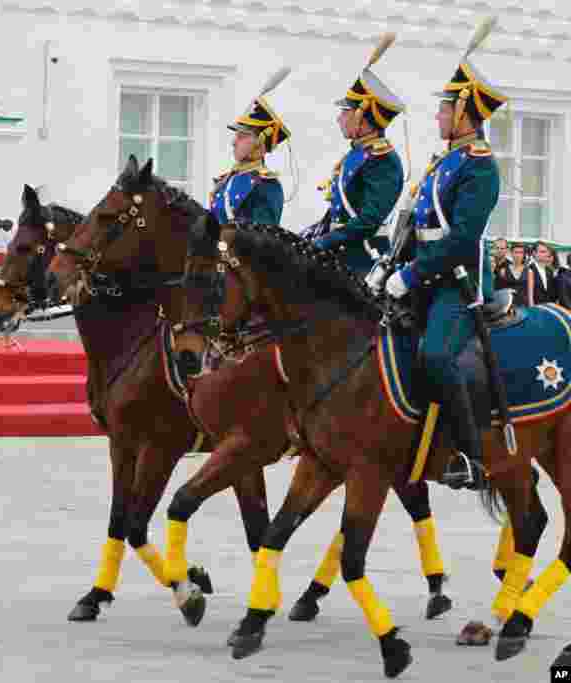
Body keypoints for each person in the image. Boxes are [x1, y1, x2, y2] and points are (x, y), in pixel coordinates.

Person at [383, 26, 506, 489]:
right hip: (424, 274)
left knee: (435, 354)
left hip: (458, 281)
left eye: (444, 108)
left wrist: (411, 275)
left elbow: (461, 240)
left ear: (464, 113)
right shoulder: (443, 162)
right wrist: (389, 267)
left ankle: (471, 457)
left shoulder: (479, 165)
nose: (437, 115)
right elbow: (417, 225)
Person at [305, 34, 405, 276]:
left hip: (363, 259)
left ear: (361, 116)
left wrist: (325, 241)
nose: (339, 118)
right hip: (340, 253)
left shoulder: (383, 159)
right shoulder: (359, 153)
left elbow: (369, 220)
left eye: (345, 112)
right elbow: (338, 213)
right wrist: (311, 236)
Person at [209, 67, 289, 226]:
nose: (234, 142)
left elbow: (262, 236)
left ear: (260, 142)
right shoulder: (225, 181)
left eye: (242, 136)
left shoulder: (267, 185)